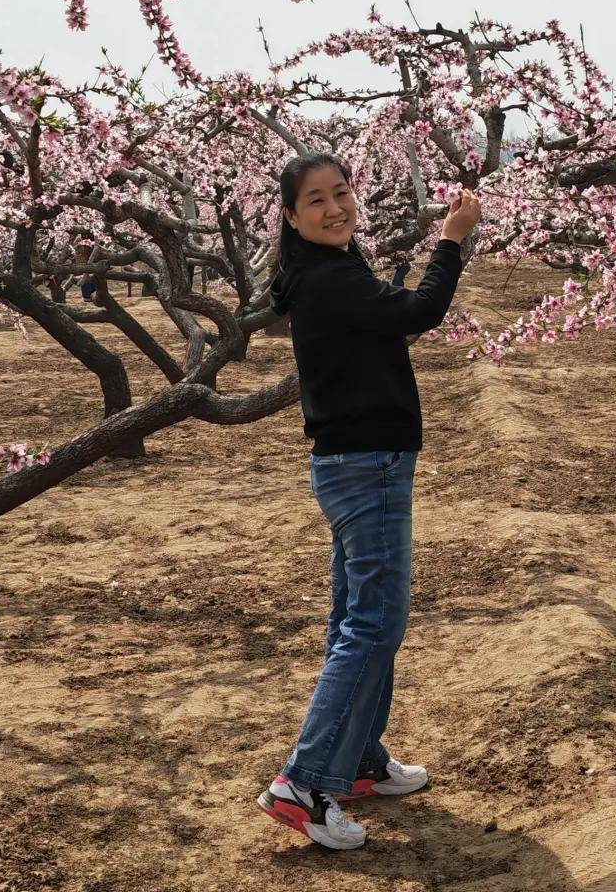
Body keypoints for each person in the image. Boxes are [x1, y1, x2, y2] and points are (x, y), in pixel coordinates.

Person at [258, 151, 480, 850]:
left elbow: (390, 316)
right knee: (375, 622)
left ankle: (357, 759)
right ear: (291, 217)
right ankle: (305, 780)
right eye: (316, 200)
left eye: (342, 191)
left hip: (358, 461)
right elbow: (419, 311)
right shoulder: (325, 279)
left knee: (358, 615)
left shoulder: (331, 271)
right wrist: (452, 241)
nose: (335, 207)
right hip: (367, 465)